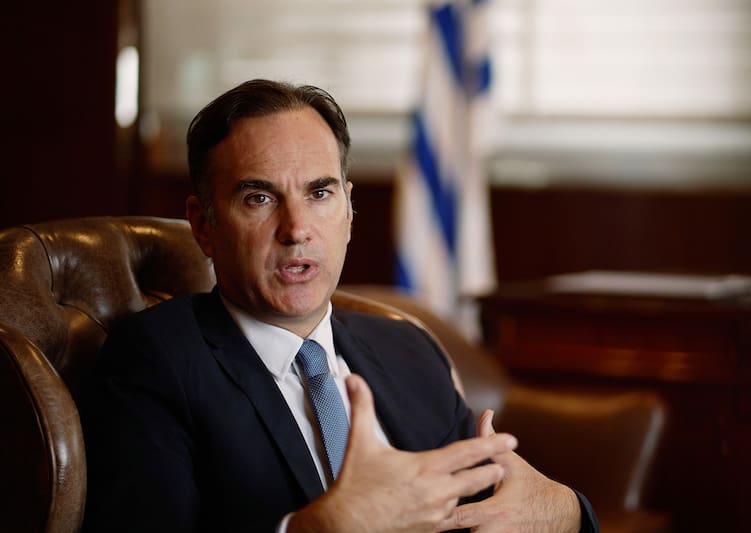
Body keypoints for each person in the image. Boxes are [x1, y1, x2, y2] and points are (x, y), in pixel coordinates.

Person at [81, 79, 599, 533]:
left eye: (320, 193)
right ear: (203, 224)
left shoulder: (408, 349)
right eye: (259, 198)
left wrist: (565, 511)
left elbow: (496, 504)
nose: (297, 229)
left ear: (350, 211)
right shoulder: (157, 360)